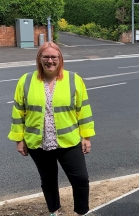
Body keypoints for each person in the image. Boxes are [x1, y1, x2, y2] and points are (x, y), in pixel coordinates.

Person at [8, 42, 95, 216]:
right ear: (39, 59)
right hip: (38, 143)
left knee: (81, 180)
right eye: (45, 57)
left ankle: (81, 211)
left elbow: (83, 109)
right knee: (48, 180)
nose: (50, 61)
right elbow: (18, 112)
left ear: (60, 59)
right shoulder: (26, 80)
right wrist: (19, 140)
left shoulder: (73, 79)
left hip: (68, 141)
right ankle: (54, 211)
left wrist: (86, 136)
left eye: (54, 57)